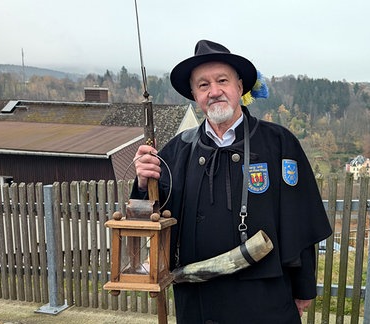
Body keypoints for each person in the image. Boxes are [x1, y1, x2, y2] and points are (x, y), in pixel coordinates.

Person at [131, 39, 332, 324]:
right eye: (203, 85)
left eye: (222, 80)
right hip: (199, 301)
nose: (214, 92)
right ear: (194, 94)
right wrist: (142, 182)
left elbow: (299, 221)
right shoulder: (175, 152)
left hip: (266, 301)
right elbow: (151, 215)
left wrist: (303, 288)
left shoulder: (279, 143)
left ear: (240, 87)